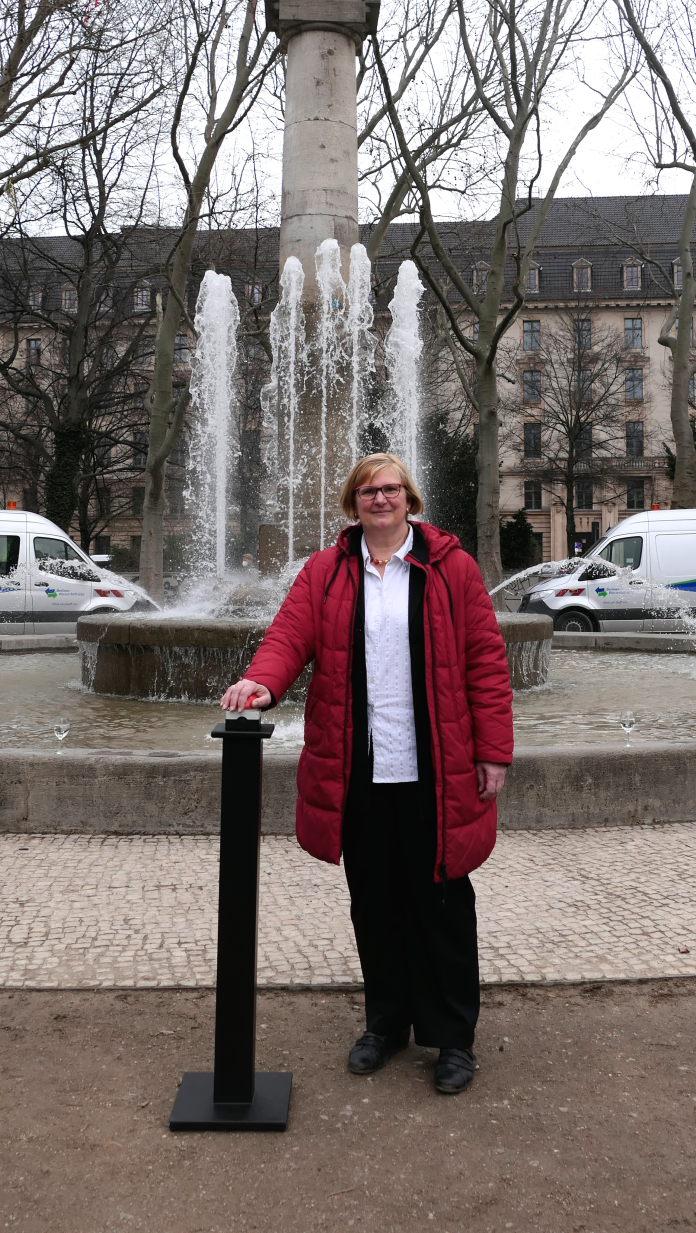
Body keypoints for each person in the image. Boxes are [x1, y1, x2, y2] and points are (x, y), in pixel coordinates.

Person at [221, 452, 513, 1094]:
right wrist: (262, 682)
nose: (380, 499)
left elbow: (486, 662)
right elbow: (288, 636)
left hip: (435, 766)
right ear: (353, 503)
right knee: (374, 902)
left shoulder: (451, 567)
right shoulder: (326, 571)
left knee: (442, 904)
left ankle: (453, 1037)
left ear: (410, 498)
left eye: (391, 489)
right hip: (359, 766)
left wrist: (493, 751)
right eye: (367, 491)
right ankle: (385, 1022)